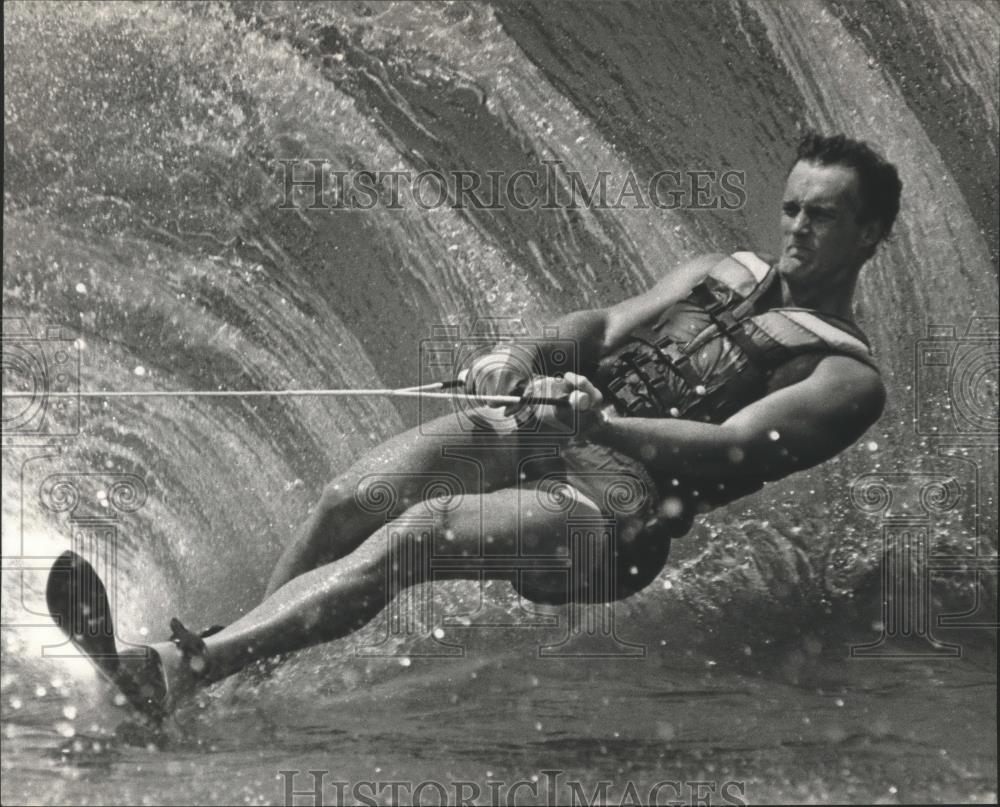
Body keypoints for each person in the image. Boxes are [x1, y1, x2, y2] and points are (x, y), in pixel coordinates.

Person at [70, 131, 902, 717]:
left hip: (620, 513)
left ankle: (186, 666)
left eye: (822, 215)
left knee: (417, 534)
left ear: (869, 233)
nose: (796, 227)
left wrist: (602, 427)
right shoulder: (722, 271)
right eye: (792, 206)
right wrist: (519, 355)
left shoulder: (845, 376)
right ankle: (206, 683)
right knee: (352, 499)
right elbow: (601, 328)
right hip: (558, 431)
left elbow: (730, 449)